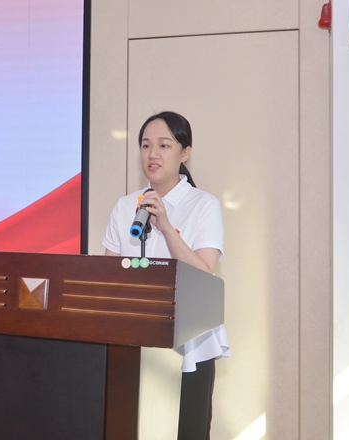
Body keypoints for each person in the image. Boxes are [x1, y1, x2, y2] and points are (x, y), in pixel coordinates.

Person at [102, 111, 230, 439]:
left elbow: (204, 274)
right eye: (146, 145)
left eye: (164, 145)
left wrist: (167, 228)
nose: (153, 154)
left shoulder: (204, 205)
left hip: (189, 344)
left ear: (185, 153)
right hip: (133, 339)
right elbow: (109, 278)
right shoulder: (125, 206)